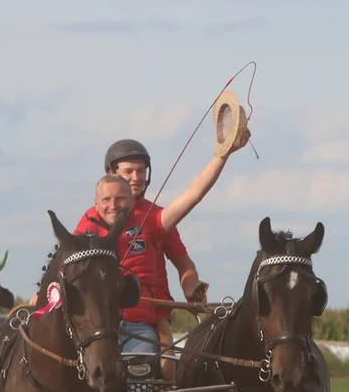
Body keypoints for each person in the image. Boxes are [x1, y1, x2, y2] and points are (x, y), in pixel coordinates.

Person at [73, 133, 249, 356]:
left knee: (164, 368)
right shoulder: (90, 219)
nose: (136, 177)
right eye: (129, 171)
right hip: (98, 323)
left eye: (141, 171)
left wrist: (190, 286)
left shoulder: (157, 217)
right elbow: (69, 264)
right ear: (111, 173)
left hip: (146, 321)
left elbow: (192, 197)